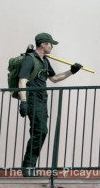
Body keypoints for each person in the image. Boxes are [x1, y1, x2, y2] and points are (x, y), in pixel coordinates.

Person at [18, 32, 83, 177]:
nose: (52, 47)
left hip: (42, 101)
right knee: (40, 132)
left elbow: (54, 79)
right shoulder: (29, 60)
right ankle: (28, 167)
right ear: (43, 44)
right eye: (50, 44)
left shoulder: (45, 61)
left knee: (40, 132)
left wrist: (72, 71)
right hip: (32, 100)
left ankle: (29, 167)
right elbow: (22, 81)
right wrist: (23, 102)